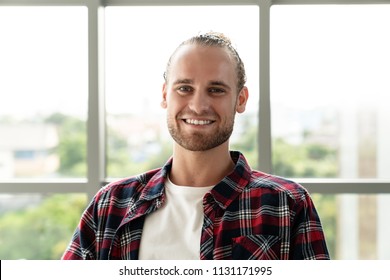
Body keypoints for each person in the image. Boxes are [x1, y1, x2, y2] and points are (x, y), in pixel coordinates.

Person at [62, 32, 330, 260]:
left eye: (216, 90)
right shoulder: (110, 206)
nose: (198, 105)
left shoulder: (288, 205)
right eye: (184, 88)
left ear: (241, 99)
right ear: (165, 94)